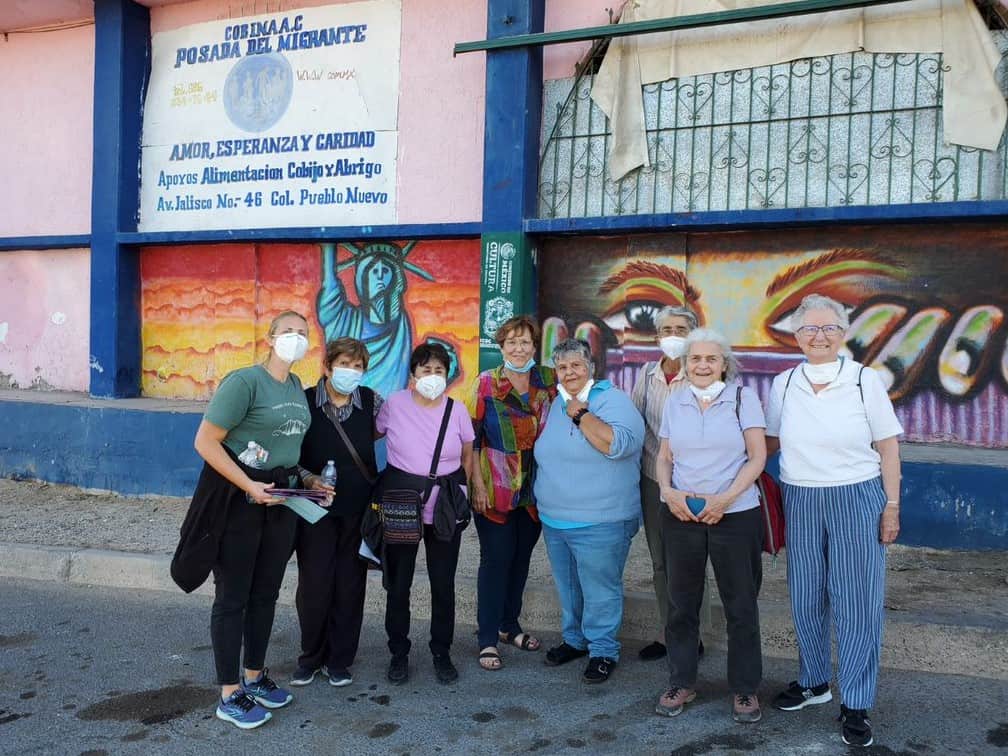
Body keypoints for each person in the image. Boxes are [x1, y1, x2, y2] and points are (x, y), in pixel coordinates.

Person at [766, 293, 903, 749]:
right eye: (809, 329)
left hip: (856, 496)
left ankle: (857, 702)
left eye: (828, 328)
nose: (819, 336)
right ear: (796, 335)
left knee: (857, 602)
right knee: (805, 594)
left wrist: (891, 506)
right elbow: (765, 444)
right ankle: (814, 682)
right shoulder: (783, 383)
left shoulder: (865, 380)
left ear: (843, 335)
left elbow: (888, 448)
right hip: (800, 497)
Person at [190, 310, 316, 730]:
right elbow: (206, 441)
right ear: (270, 337)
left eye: (302, 333)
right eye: (288, 332)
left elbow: (289, 451)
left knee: (266, 592)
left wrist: (310, 480)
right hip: (239, 499)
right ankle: (229, 692)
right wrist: (248, 484)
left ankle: (255, 676)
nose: (295, 339)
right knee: (233, 595)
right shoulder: (244, 382)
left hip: (280, 500)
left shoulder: (297, 386)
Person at [653, 329, 766, 723]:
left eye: (711, 359)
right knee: (681, 603)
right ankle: (681, 681)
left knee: (740, 604)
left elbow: (757, 457)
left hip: (735, 516)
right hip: (681, 514)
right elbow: (664, 456)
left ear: (725, 364)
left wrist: (725, 500)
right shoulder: (675, 399)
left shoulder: (743, 398)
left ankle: (745, 690)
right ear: (685, 365)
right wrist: (668, 492)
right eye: (695, 359)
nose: (702, 365)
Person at [533, 338, 644, 684]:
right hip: (555, 519)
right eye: (563, 367)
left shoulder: (612, 400)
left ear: (591, 368)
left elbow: (619, 445)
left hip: (601, 520)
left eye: (576, 365)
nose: (570, 373)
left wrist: (581, 414)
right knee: (569, 587)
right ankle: (576, 640)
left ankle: (603, 651)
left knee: (599, 589)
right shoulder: (554, 404)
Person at [376, 341, 476, 686]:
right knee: (398, 583)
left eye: (439, 371)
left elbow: (467, 455)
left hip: (445, 505)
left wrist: (468, 492)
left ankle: (441, 652)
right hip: (402, 503)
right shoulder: (394, 404)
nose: (432, 377)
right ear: (413, 375)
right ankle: (398, 653)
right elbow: (368, 434)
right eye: (425, 370)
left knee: (443, 583)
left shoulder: (456, 409)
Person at [289, 337, 381, 689]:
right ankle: (310, 657)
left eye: (357, 366)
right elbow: (288, 451)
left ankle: (340, 660)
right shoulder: (304, 402)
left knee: (350, 584)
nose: (351, 372)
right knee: (313, 584)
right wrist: (308, 479)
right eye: (344, 364)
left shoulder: (373, 403)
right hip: (313, 511)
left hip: (358, 510)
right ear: (326, 367)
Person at [470, 315, 557, 671]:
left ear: (535, 346)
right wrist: (475, 483)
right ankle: (487, 638)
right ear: (501, 346)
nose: (519, 349)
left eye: (525, 342)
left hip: (537, 488)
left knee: (521, 560)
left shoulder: (549, 380)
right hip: (495, 489)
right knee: (496, 561)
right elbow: (471, 439)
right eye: (511, 342)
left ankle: (510, 626)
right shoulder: (486, 383)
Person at [630, 305, 700, 661]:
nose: (673, 336)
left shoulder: (706, 374)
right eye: (666, 330)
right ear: (657, 337)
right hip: (652, 479)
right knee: (660, 561)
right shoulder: (647, 374)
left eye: (681, 329)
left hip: (693, 483)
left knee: (687, 560)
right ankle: (668, 631)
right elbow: (635, 422)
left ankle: (691, 633)